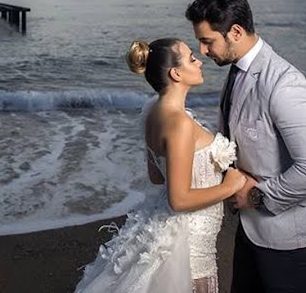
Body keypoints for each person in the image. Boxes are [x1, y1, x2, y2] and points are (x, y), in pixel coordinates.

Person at [185, 0, 306, 293]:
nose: (202, 51)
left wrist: (254, 197)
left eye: (207, 41)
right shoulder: (238, 70)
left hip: (290, 241)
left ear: (236, 32)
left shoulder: (284, 84)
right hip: (252, 232)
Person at [75, 38, 247, 293]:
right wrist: (229, 185)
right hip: (189, 236)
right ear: (176, 73)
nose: (199, 60)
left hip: (175, 226)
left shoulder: (153, 111)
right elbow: (178, 200)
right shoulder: (179, 123)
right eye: (191, 58)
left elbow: (157, 176)